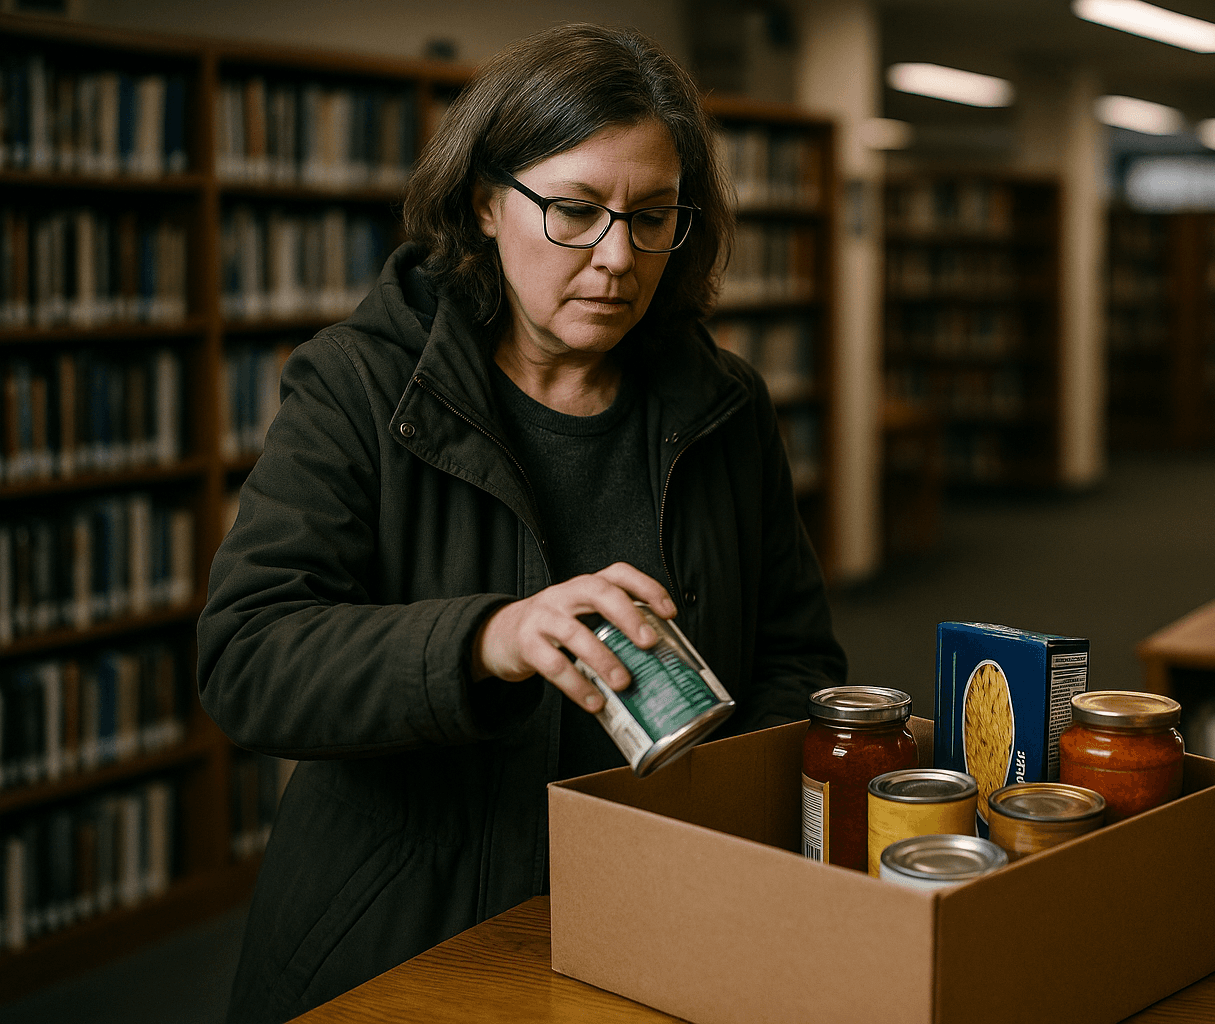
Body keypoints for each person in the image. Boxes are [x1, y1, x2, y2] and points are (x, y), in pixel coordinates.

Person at [197, 23, 846, 1024]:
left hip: (662, 914)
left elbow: (798, 658)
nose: (618, 257)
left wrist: (714, 822)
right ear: (485, 202)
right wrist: (488, 639)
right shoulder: (359, 386)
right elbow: (248, 657)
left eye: (654, 216)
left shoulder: (725, 404)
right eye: (575, 211)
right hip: (408, 929)